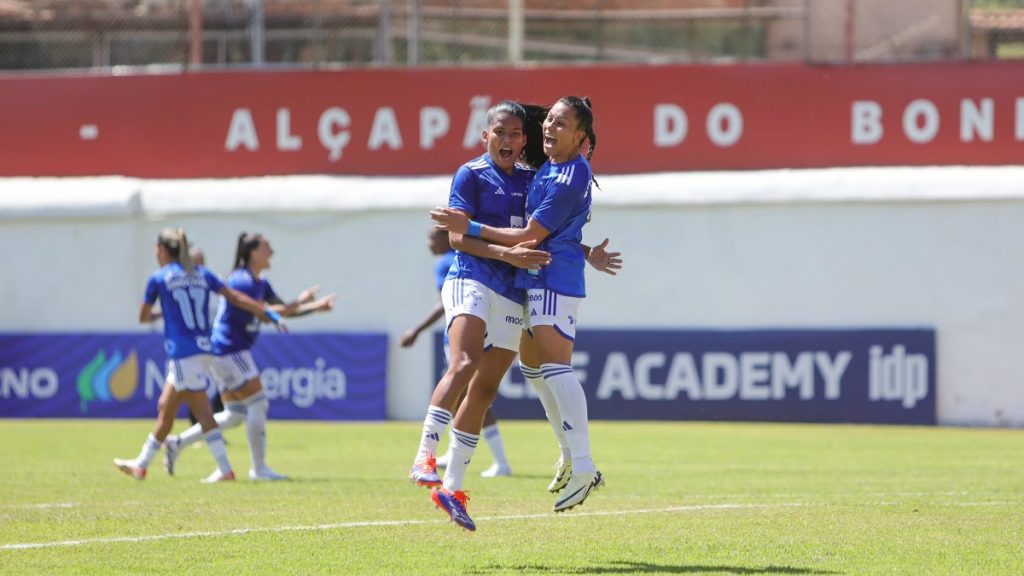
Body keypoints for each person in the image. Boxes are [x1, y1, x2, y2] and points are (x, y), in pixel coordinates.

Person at [431, 96, 607, 515]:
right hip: (534, 278)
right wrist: (587, 251)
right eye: (548, 120)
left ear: (581, 136)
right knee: (533, 368)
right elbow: (555, 232)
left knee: (554, 367)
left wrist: (468, 226)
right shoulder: (550, 168)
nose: (549, 127)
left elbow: (530, 234)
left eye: (561, 123)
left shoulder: (569, 175)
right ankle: (568, 455)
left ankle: (583, 464)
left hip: (551, 277)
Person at [408, 100, 553, 531]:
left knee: (486, 389)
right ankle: (424, 458)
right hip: (471, 277)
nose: (507, 140)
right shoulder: (470, 174)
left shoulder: (533, 180)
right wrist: (505, 252)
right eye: (499, 133)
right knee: (465, 363)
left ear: (524, 140)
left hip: (511, 291)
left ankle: (451, 489)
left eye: (514, 134)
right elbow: (457, 238)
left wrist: (587, 253)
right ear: (484, 136)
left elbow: (552, 230)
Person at [114, 228, 284, 482]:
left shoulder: (159, 278)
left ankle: (224, 469)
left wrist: (166, 313)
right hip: (205, 348)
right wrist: (266, 312)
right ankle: (141, 464)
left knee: (202, 414)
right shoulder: (204, 275)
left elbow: (144, 317)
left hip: (183, 352)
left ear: (161, 250)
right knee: (168, 409)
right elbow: (235, 298)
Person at [163, 232, 336, 481]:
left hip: (225, 351)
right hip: (231, 349)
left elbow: (280, 311)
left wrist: (311, 307)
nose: (272, 252)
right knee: (258, 403)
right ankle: (259, 469)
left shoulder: (259, 282)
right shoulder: (241, 281)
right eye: (267, 247)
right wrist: (302, 303)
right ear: (253, 252)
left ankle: (177, 443)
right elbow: (270, 312)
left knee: (235, 414)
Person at [400, 227, 513, 478]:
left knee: (463, 393)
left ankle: (499, 461)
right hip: (489, 332)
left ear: (446, 236)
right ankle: (468, 454)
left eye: (432, 237)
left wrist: (416, 330)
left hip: (459, 336)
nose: (428, 243)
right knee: (471, 396)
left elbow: (443, 304)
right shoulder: (477, 258)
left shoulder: (447, 262)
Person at [185, 247, 226, 429]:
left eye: (201, 261)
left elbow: (224, 304)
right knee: (192, 385)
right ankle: (196, 427)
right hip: (192, 343)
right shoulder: (182, 282)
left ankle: (214, 424)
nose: (199, 265)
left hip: (213, 340)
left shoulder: (212, 279)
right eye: (195, 261)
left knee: (224, 382)